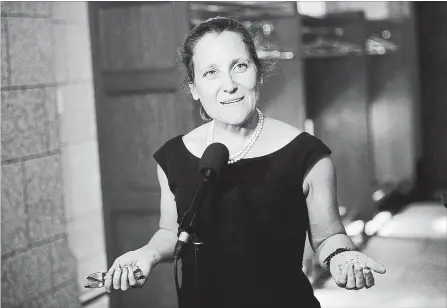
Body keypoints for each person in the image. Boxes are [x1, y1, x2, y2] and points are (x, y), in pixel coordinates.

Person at [104, 16, 386, 308]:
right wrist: (146, 254)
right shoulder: (172, 157)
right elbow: (172, 231)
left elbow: (329, 235)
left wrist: (342, 257)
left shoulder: (307, 154)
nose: (230, 85)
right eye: (211, 72)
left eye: (239, 66)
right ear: (194, 88)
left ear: (259, 73)